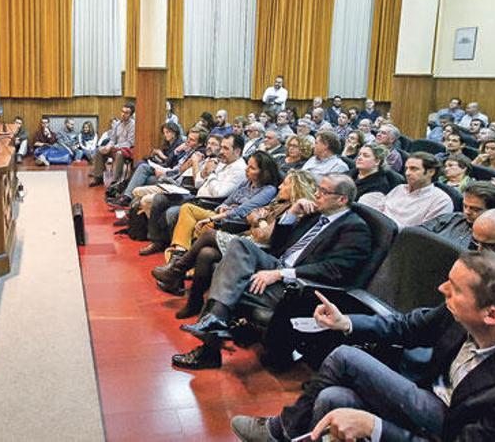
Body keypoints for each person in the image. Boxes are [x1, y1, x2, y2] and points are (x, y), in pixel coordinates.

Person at [231, 251, 495, 442]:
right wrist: (345, 323)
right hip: (430, 402)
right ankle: (290, 434)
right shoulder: (458, 314)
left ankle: (280, 432)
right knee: (331, 398)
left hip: (449, 426)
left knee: (344, 357)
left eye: (455, 288)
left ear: (492, 315)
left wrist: (375, 426)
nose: (441, 288)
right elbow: (406, 326)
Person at [171, 174, 372, 370]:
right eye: (318, 189)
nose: (316, 194)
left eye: (323, 191)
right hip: (276, 263)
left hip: (298, 286)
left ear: (342, 199)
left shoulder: (354, 228)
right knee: (239, 246)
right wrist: (292, 213)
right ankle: (217, 319)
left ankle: (209, 347)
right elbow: (278, 244)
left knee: (227, 280)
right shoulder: (315, 215)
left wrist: (280, 274)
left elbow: (335, 270)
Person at [152, 170, 317, 312]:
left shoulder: (296, 211)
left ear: (296, 188)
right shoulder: (280, 203)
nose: (280, 187)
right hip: (250, 238)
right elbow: (251, 214)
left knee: (209, 235)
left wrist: (259, 221)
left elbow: (264, 236)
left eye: (286, 184)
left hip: (259, 250)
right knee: (206, 253)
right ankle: (194, 301)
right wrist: (260, 220)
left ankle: (176, 270)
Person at [139, 134, 247, 256]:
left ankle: (177, 250)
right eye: (221, 147)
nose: (221, 151)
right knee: (159, 199)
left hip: (209, 204)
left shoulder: (239, 169)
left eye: (226, 148)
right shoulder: (222, 162)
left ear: (237, 151)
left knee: (171, 212)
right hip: (197, 197)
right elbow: (198, 182)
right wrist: (205, 171)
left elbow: (219, 193)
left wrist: (211, 174)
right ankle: (157, 241)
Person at [164, 152, 280, 256]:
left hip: (235, 222)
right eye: (248, 165)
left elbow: (243, 210)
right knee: (187, 208)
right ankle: (180, 251)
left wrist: (213, 217)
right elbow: (226, 202)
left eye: (252, 168)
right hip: (222, 215)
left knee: (201, 225)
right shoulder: (246, 182)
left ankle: (180, 255)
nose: (247, 169)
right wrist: (222, 208)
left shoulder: (269, 190)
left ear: (263, 173)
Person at [360, 152, 454, 229]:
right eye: (406, 168)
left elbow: (425, 235)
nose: (407, 173)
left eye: (414, 169)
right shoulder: (399, 189)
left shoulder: (441, 201)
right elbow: (377, 212)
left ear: (431, 172)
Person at [420, 181, 495, 248]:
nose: (467, 212)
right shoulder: (452, 218)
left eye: (475, 209)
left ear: (493, 210)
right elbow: (417, 233)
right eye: (465, 206)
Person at [90, 103, 135, 186]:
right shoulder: (117, 124)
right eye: (122, 111)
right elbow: (112, 139)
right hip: (114, 148)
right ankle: (98, 177)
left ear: (131, 115)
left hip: (126, 150)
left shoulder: (133, 125)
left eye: (126, 113)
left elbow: (130, 142)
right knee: (99, 151)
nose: (123, 114)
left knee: (119, 154)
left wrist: (114, 147)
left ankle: (115, 181)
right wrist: (108, 146)